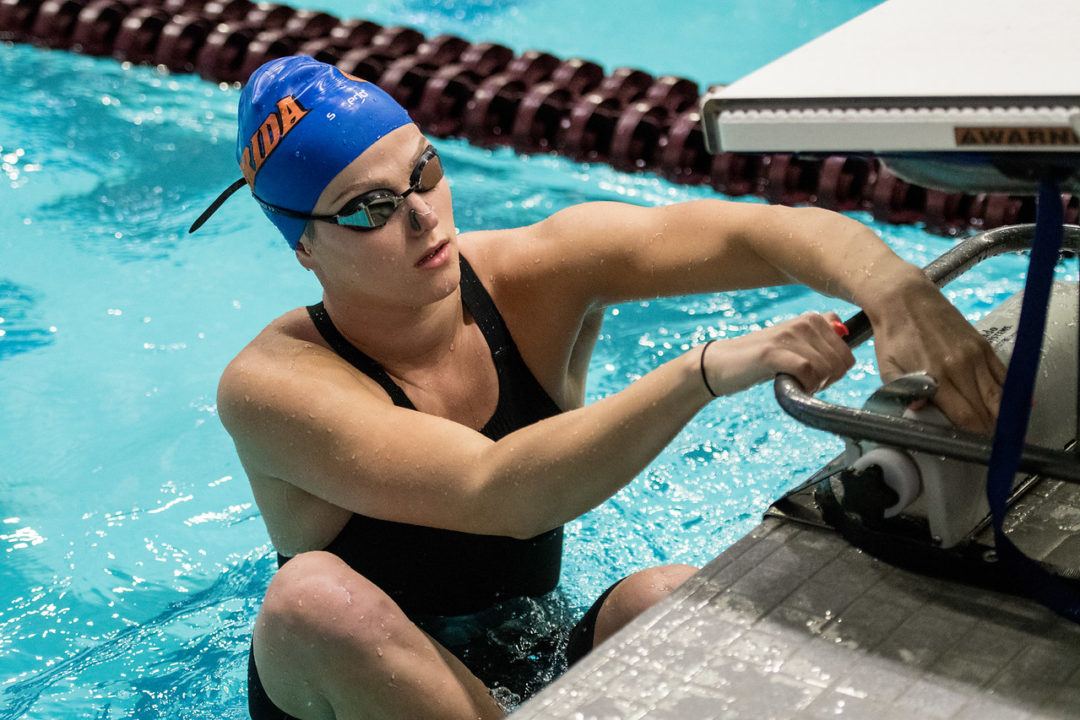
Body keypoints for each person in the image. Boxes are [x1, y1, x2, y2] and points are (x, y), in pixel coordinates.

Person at [190, 56, 1006, 720]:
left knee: (673, 599)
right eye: (368, 209)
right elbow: (497, 490)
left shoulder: (535, 272)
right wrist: (703, 372)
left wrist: (894, 291)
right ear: (304, 247)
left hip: (526, 656)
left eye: (425, 171)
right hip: (360, 691)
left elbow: (763, 230)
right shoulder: (273, 386)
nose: (425, 218)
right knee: (312, 602)